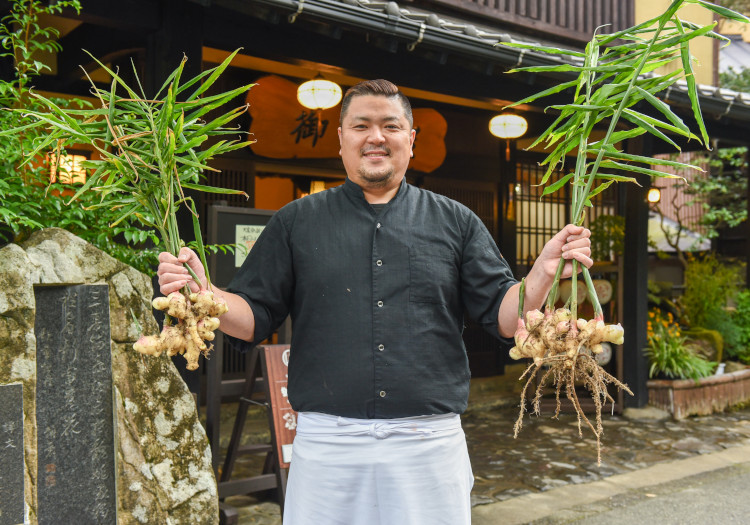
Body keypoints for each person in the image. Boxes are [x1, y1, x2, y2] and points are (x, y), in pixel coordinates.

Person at [157, 79, 592, 525]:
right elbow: (254, 316)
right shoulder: (296, 221)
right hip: (329, 442)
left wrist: (543, 269)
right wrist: (206, 296)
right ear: (341, 139)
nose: (376, 137)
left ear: (411, 139)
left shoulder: (455, 221)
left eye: (391, 125)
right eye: (361, 125)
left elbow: (502, 315)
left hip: (427, 442)